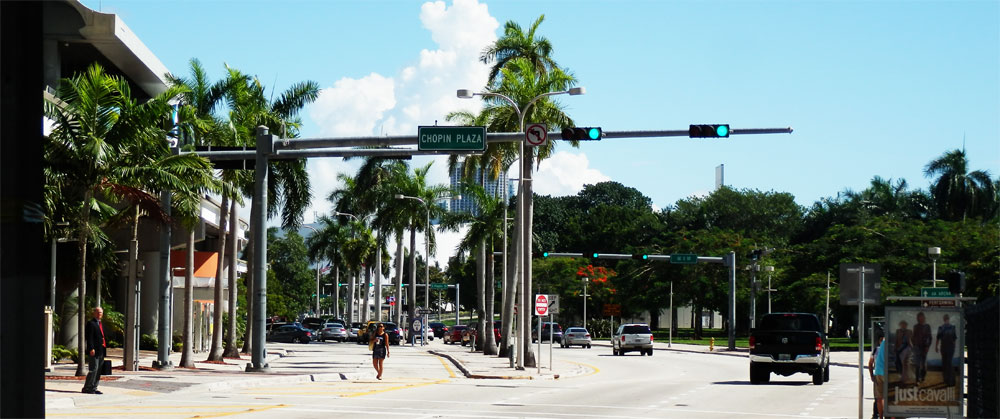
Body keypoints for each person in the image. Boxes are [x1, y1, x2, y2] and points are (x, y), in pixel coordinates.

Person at [82, 307, 106, 394]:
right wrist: (91, 348)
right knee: (93, 369)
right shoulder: (91, 323)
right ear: (94, 313)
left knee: (99, 370)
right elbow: (89, 337)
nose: (100, 314)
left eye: (101, 312)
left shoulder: (100, 323)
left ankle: (94, 387)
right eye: (98, 312)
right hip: (94, 350)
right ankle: (87, 387)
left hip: (101, 350)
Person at [935, 314, 957, 386]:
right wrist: (936, 346)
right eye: (945, 318)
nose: (946, 319)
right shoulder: (941, 328)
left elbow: (954, 338)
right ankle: (946, 379)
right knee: (945, 363)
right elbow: (938, 338)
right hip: (944, 347)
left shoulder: (952, 327)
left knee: (948, 363)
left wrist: (954, 347)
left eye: (947, 318)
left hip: (949, 347)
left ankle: (951, 380)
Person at [912, 312, 932, 384]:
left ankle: (922, 377)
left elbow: (930, 337)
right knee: (917, 364)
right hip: (917, 347)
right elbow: (913, 337)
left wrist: (927, 346)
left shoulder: (927, 326)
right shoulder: (916, 326)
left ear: (923, 318)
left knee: (923, 364)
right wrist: (914, 346)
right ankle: (917, 379)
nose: (920, 318)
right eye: (919, 317)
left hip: (924, 348)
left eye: (921, 317)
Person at [869, 335, 886, 419]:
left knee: (879, 398)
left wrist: (872, 375)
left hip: (878, 372)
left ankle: (880, 416)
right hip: (888, 373)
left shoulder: (878, 348)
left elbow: (870, 363)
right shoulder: (892, 344)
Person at [894, 319, 913, 384]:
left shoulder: (909, 331)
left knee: (905, 363)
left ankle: (906, 377)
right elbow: (896, 340)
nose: (903, 326)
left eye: (904, 324)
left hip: (907, 348)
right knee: (899, 362)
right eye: (902, 324)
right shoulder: (898, 331)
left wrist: (912, 347)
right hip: (899, 349)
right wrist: (895, 348)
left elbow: (910, 340)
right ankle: (903, 376)